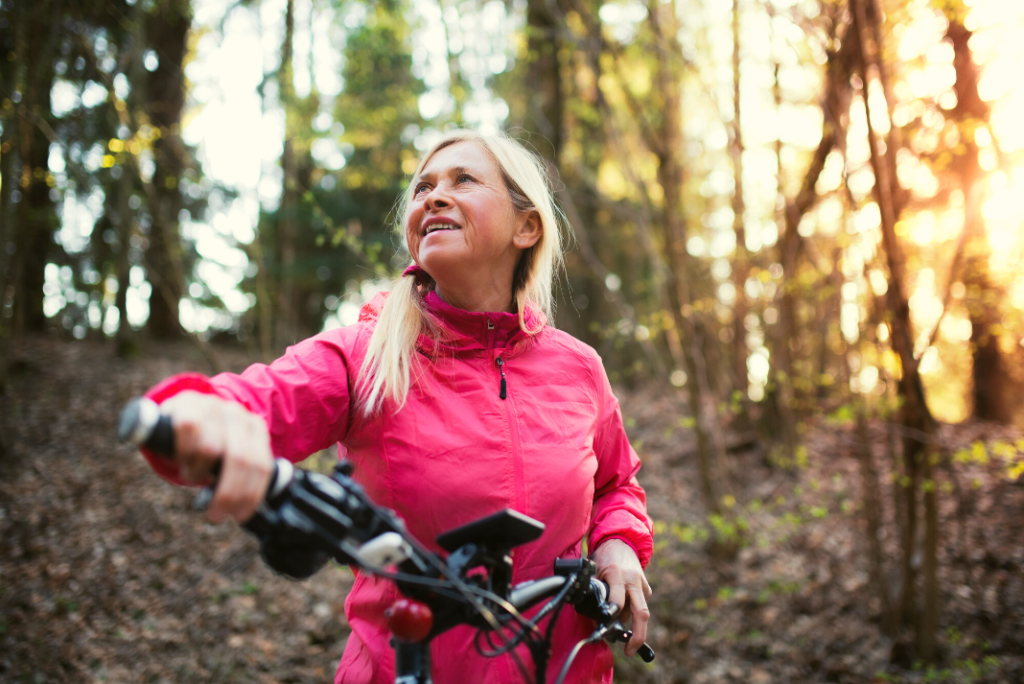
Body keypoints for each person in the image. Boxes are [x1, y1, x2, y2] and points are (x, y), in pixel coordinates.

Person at [139, 129, 653, 684]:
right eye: (423, 187)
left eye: (464, 180)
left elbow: (616, 485)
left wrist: (617, 544)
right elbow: (257, 399)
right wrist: (196, 416)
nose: (433, 196)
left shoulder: (578, 368)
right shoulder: (367, 354)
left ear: (526, 226)